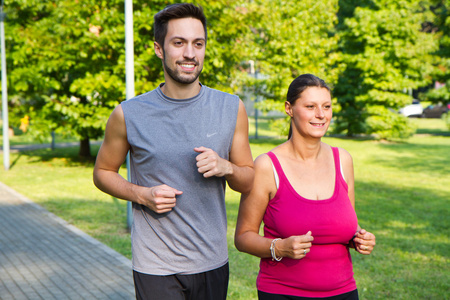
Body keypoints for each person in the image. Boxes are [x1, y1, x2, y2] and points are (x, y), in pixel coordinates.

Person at [93, 3, 254, 299]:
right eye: (178, 43)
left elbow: (248, 181)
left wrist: (226, 167)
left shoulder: (231, 108)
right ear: (159, 48)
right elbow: (102, 173)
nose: (190, 53)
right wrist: (142, 195)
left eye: (198, 43)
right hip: (155, 264)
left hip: (211, 261)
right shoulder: (128, 114)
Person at [234, 74, 376, 300]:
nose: (321, 115)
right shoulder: (267, 166)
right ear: (289, 109)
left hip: (344, 291)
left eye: (326, 106)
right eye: (310, 106)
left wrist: (359, 237)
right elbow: (243, 237)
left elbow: (347, 223)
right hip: (284, 293)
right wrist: (279, 248)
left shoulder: (343, 160)